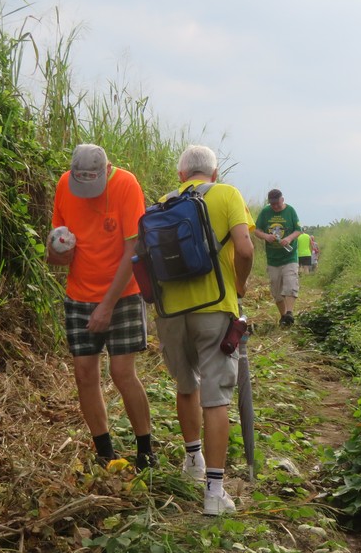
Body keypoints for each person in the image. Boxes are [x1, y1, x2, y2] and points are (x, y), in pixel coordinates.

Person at [153, 144, 254, 516]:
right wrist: (239, 286)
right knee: (216, 398)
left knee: (186, 385)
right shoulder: (227, 194)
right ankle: (214, 492)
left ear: (181, 175)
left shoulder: (163, 203)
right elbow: (245, 249)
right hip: (214, 307)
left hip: (170, 311)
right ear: (214, 173)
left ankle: (192, 461)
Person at [47, 143, 157, 471]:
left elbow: (133, 250)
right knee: (84, 374)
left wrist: (106, 305)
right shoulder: (64, 185)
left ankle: (145, 449)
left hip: (123, 294)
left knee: (121, 372)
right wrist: (57, 253)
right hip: (79, 295)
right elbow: (54, 249)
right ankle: (105, 451)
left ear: (106, 170)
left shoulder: (126, 185)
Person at [253, 188, 301, 326]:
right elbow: (256, 230)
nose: (275, 207)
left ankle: (290, 313)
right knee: (276, 289)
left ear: (282, 200)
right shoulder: (265, 212)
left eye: (277, 204)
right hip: (273, 259)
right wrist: (266, 236)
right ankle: (283, 316)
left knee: (290, 283)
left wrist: (289, 238)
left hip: (289, 257)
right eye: (272, 204)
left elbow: (298, 230)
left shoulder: (290, 211)